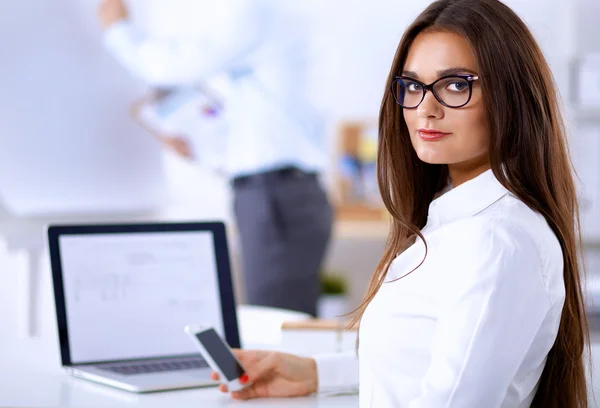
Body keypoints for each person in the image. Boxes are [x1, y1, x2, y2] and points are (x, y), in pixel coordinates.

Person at [210, 0, 590, 407]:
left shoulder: (495, 240)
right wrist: (315, 373)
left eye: (456, 85)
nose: (426, 108)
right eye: (412, 86)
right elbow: (428, 362)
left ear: (511, 95)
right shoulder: (456, 220)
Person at [97, 0, 333, 316]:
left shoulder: (259, 14)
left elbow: (170, 66)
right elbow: (265, 116)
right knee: (281, 323)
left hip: (274, 199)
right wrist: (201, 143)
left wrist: (117, 29)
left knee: (274, 330)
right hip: (283, 195)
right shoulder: (284, 19)